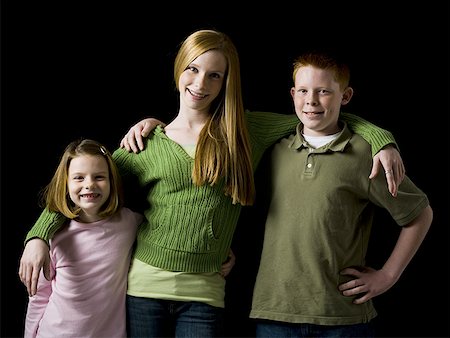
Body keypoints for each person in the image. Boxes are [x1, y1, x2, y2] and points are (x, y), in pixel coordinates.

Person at [19, 29, 404, 338]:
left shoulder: (245, 131)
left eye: (214, 74)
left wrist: (380, 137)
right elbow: (81, 188)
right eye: (193, 69)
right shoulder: (147, 143)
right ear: (178, 69)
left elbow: (319, 117)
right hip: (143, 287)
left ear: (226, 81)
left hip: (206, 292)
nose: (201, 82)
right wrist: (38, 236)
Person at [247, 52, 433, 337]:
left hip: (342, 316)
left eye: (324, 91)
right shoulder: (275, 148)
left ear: (344, 97)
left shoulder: (364, 155)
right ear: (292, 93)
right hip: (274, 311)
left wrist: (388, 275)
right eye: (304, 91)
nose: (311, 101)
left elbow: (420, 214)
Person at [23, 138, 143, 338]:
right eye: (79, 178)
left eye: (99, 177)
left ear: (112, 181)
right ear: (66, 183)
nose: (89, 184)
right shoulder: (54, 236)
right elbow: (39, 297)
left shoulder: (128, 222)